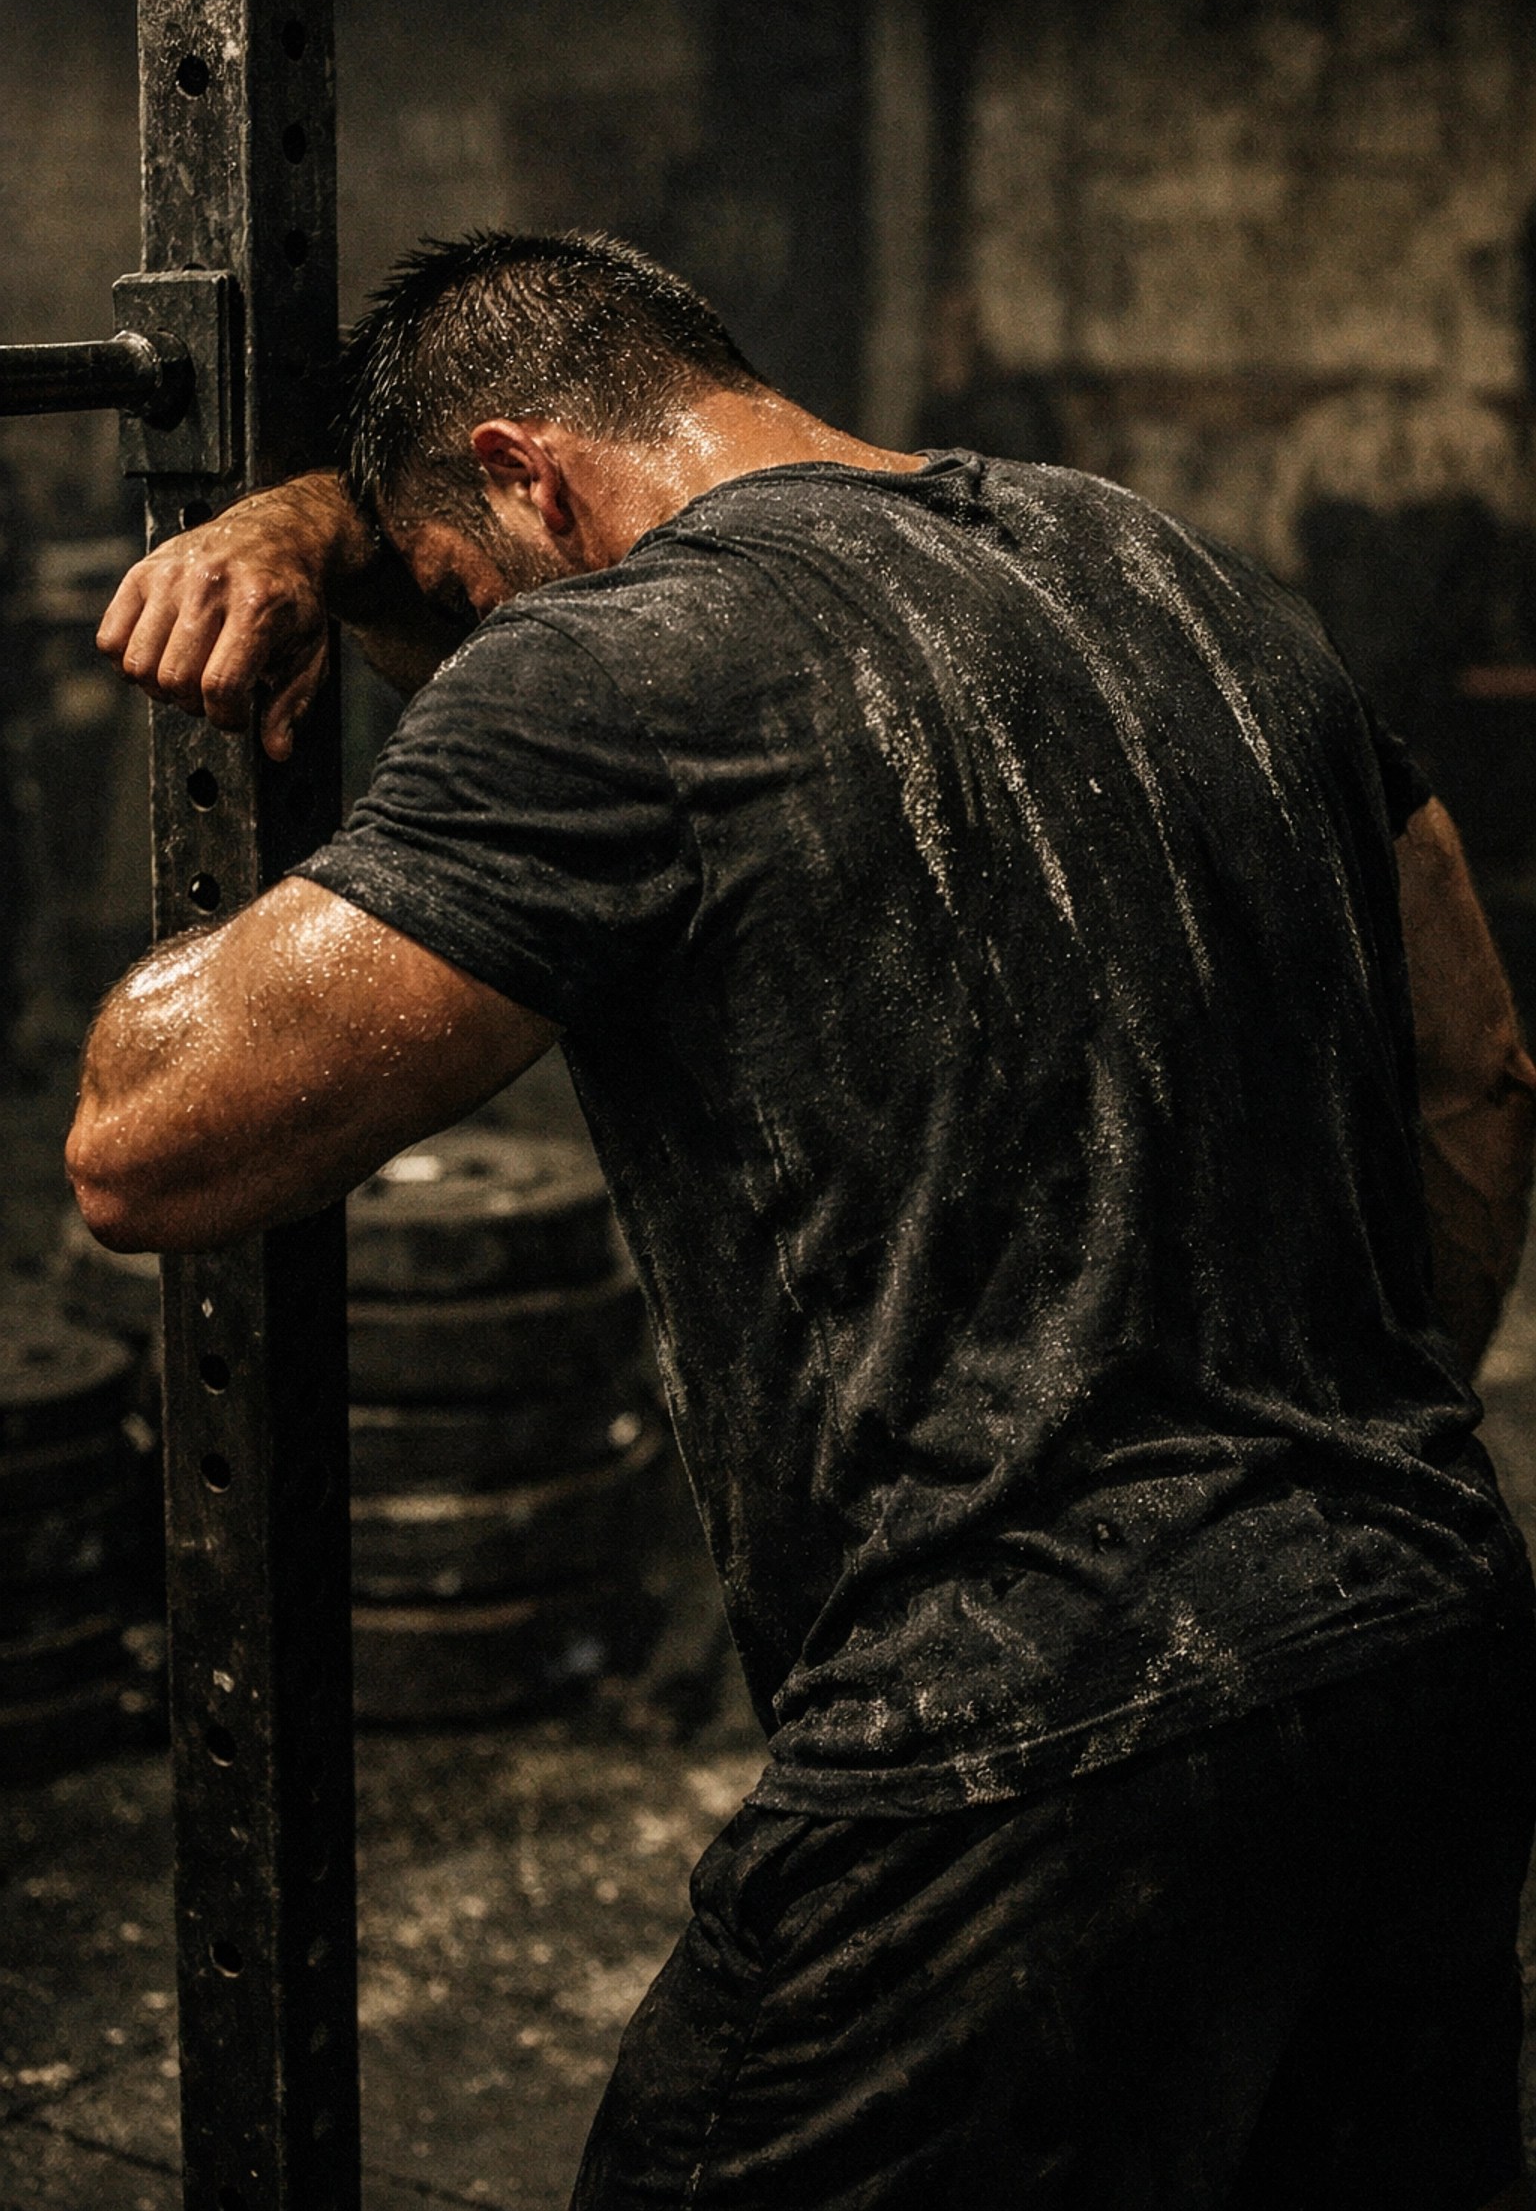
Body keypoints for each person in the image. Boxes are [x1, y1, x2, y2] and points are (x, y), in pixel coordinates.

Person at [70, 231, 1536, 2211]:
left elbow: (142, 1142)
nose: (467, 646)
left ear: (535, 479)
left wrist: (357, 595)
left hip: (1016, 1727)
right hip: (1430, 1649)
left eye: (453, 601)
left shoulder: (610, 666)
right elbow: (1482, 1075)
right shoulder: (1178, 571)